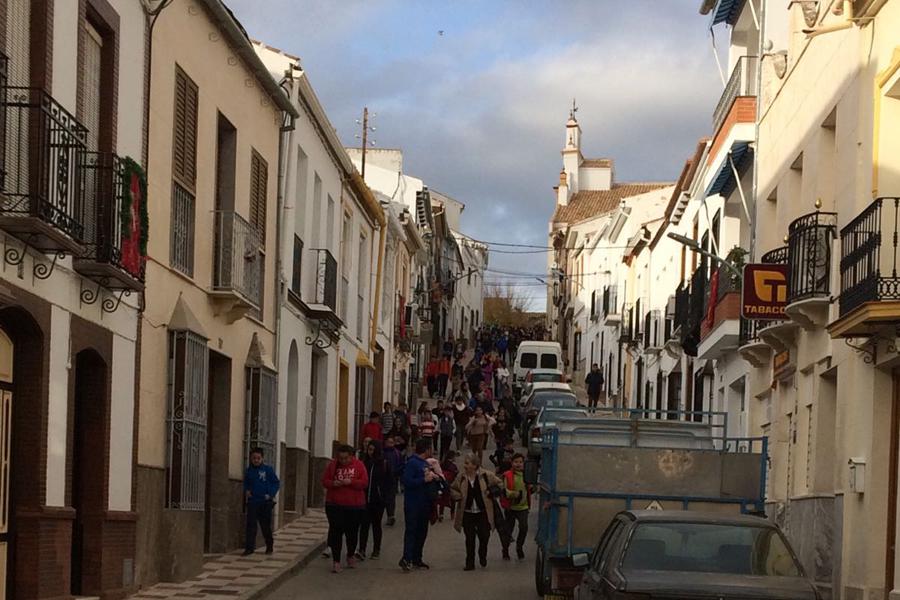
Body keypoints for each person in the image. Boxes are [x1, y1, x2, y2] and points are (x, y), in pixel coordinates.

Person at [450, 454, 506, 570]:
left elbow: (500, 484)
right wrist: (458, 496)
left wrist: (491, 491)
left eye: (467, 463)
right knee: (469, 539)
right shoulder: (461, 477)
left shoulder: (486, 475)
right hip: (467, 513)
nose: (465, 466)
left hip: (483, 512)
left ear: (475, 465)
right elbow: (453, 488)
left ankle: (482, 554)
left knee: (484, 536)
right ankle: (469, 563)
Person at [322, 445, 368, 573]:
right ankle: (336, 561)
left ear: (351, 456)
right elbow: (325, 481)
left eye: (346, 458)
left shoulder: (359, 465)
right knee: (336, 532)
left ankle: (350, 554)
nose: (343, 461)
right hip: (334, 505)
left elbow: (364, 482)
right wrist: (333, 483)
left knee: (352, 533)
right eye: (340, 458)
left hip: (355, 506)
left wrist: (351, 482)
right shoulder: (332, 465)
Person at [399, 439, 437, 571]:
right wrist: (423, 480)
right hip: (413, 503)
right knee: (412, 531)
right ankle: (407, 558)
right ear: (426, 450)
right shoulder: (412, 463)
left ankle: (417, 558)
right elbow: (407, 481)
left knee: (422, 532)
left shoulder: (425, 463)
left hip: (424, 503)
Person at [242, 447, 280, 556]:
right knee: (251, 525)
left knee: (265, 526)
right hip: (253, 501)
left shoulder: (268, 470)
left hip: (265, 502)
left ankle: (269, 545)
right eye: (254, 458)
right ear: (251, 459)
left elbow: (276, 483)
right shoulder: (249, 471)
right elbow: (246, 483)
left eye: (258, 458)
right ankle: (249, 548)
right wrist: (247, 491)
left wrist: (270, 494)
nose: (256, 460)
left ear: (262, 458)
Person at [358, 441, 391, 560]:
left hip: (378, 500)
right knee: (364, 525)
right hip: (365, 499)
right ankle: (361, 549)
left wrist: (384, 497)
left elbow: (389, 482)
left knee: (376, 525)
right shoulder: (364, 463)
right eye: (369, 449)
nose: (370, 452)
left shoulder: (383, 463)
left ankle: (376, 550)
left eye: (372, 449)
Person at [500, 454, 532, 561]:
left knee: (524, 528)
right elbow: (505, 491)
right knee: (508, 530)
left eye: (520, 462)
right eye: (516, 462)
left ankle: (519, 547)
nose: (518, 464)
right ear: (511, 463)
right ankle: (505, 550)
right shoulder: (507, 475)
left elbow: (530, 489)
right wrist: (515, 494)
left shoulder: (527, 475)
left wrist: (533, 488)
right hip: (511, 508)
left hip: (523, 507)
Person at [383, 436, 404, 526]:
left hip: (393, 478)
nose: (390, 444)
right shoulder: (382, 453)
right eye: (388, 442)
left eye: (392, 442)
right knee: (383, 498)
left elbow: (402, 465)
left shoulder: (397, 453)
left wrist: (397, 472)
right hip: (383, 478)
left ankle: (390, 516)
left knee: (391, 498)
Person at [439, 450, 460, 521]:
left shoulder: (442, 464)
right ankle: (452, 514)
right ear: (452, 457)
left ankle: (441, 514)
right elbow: (456, 474)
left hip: (443, 484)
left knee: (442, 499)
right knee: (452, 499)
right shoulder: (453, 466)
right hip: (451, 484)